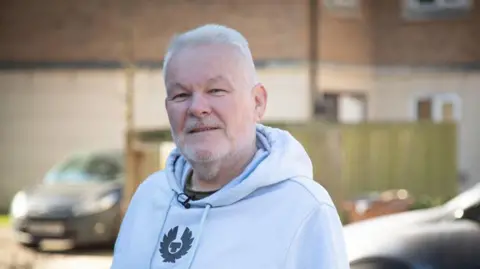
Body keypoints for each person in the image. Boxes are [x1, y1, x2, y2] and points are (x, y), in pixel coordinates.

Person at [111, 24, 349, 269]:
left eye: (216, 90)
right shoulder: (148, 197)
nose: (197, 108)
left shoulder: (304, 209)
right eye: (181, 95)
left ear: (257, 102)